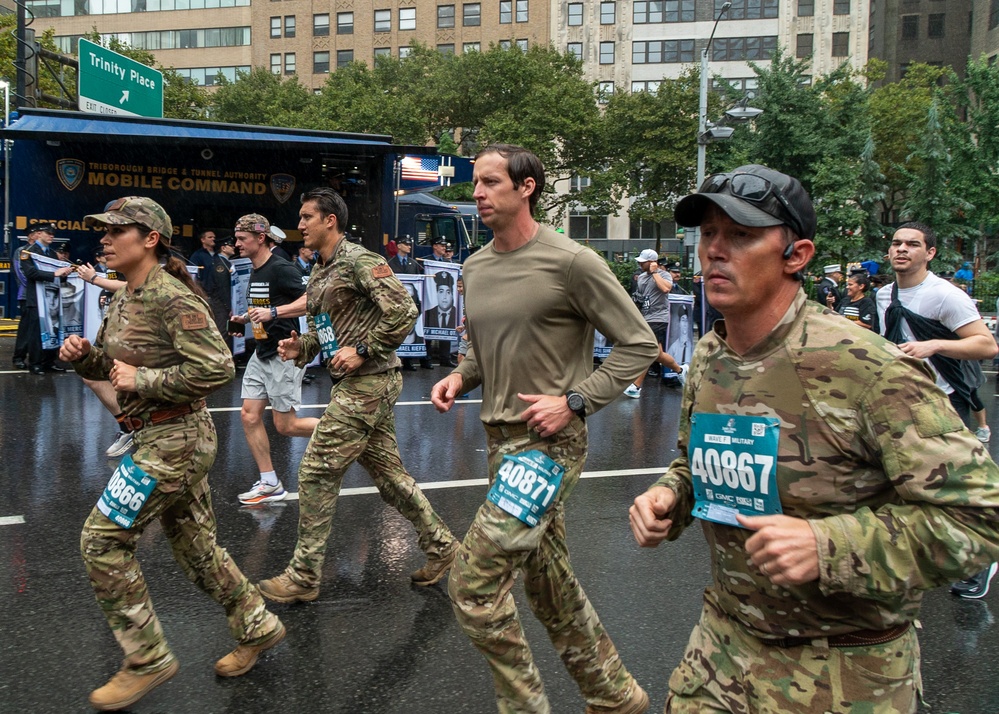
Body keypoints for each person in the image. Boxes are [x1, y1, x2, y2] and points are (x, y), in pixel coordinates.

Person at [629, 164, 999, 713]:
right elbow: (694, 460)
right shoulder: (710, 352)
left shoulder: (867, 367)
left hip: (841, 675)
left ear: (796, 256)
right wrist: (672, 496)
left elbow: (980, 515)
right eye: (708, 234)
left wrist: (829, 546)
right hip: (720, 652)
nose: (714, 251)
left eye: (742, 235)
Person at [431, 144, 658, 714]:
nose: (477, 193)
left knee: (473, 587)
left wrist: (576, 402)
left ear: (525, 187)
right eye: (475, 183)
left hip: (548, 444)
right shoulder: (476, 266)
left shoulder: (572, 261)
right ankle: (615, 697)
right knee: (548, 585)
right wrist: (461, 375)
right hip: (497, 442)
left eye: (489, 182)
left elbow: (639, 345)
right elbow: (481, 347)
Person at [59, 196, 285, 711]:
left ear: (150, 239)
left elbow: (218, 369)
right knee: (197, 550)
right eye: (103, 231)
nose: (105, 239)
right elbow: (110, 368)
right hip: (152, 436)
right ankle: (258, 624)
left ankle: (147, 659)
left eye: (117, 231)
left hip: (176, 441)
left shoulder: (173, 297)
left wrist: (146, 378)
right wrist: (85, 357)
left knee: (102, 540)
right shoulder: (125, 297)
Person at [256, 186, 458, 603]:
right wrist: (303, 348)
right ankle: (443, 547)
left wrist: (365, 350)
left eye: (307, 217)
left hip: (372, 381)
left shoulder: (360, 261)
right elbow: (329, 333)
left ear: (330, 220)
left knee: (315, 470)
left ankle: (304, 575)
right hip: (352, 382)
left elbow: (404, 309)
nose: (300, 225)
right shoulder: (320, 269)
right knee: (389, 479)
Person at [876, 221, 999, 600]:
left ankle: (982, 561)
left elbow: (986, 345)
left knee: (956, 490)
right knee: (893, 485)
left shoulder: (946, 296)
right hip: (899, 403)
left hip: (943, 404)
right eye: (896, 243)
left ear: (929, 253)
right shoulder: (884, 294)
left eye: (912, 244)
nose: (901, 249)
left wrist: (934, 346)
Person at [228, 214, 317, 506]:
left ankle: (346, 429)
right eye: (237, 238)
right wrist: (245, 319)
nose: (237, 244)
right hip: (261, 351)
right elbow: (264, 309)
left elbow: (310, 301)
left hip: (283, 353)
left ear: (261, 238)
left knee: (285, 426)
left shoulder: (281, 268)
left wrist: (275, 313)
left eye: (242, 239)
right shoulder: (255, 270)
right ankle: (269, 482)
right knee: (249, 415)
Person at [624, 250, 687, 398]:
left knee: (647, 351)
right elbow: (640, 298)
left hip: (658, 318)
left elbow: (665, 289)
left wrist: (655, 273)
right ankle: (681, 370)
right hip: (645, 318)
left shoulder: (663, 275)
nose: (639, 263)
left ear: (652, 262)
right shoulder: (641, 278)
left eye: (643, 261)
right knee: (657, 354)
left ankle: (636, 386)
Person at [20, 222, 73, 374]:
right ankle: (35, 363)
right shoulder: (27, 252)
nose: (51, 236)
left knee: (53, 330)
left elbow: (58, 274)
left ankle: (49, 361)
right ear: (38, 234)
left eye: (53, 234)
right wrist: (54, 274)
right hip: (36, 299)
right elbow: (31, 274)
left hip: (51, 298)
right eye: (48, 233)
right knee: (37, 332)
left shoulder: (51, 254)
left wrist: (64, 275)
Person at [388, 236, 433, 371]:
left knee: (408, 329)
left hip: (410, 302)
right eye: (406, 244)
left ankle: (408, 361)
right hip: (396, 302)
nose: (409, 246)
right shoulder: (390, 263)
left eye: (409, 244)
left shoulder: (413, 264)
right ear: (399, 246)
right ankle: (395, 360)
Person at [424, 270, 458, 367]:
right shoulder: (428, 313)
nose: (444, 297)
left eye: (448, 292)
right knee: (428, 336)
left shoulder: (455, 312)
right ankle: (427, 359)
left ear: (452, 294)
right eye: (441, 291)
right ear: (436, 294)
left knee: (447, 334)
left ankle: (445, 359)